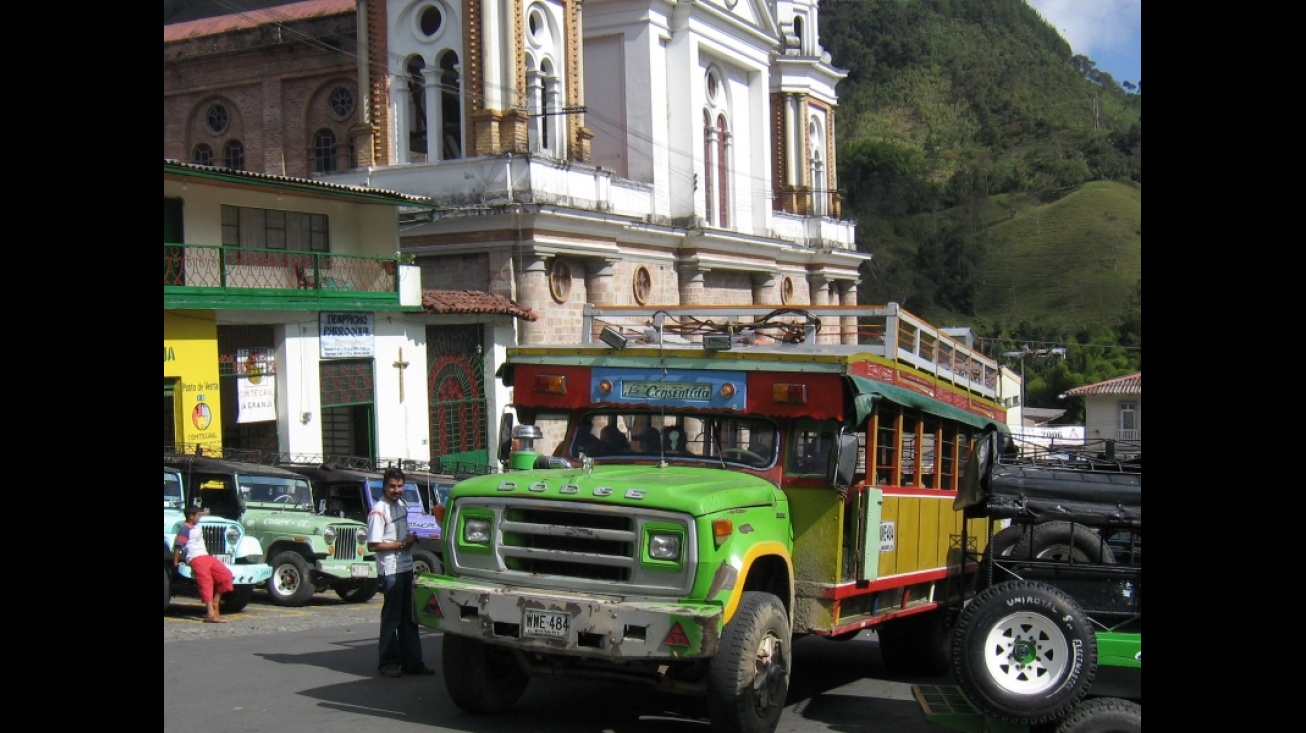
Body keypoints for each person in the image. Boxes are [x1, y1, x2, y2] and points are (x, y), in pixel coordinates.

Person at [366, 467, 437, 677]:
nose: (396, 490)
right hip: (391, 570)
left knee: (409, 618)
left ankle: (413, 663)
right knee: (392, 618)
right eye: (392, 486)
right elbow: (373, 545)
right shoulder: (378, 511)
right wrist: (400, 544)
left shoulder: (402, 506)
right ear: (384, 487)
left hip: (406, 568)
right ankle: (388, 664)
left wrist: (409, 540)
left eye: (399, 486)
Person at [173, 505, 235, 623]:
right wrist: (176, 561)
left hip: (205, 556)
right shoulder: (185, 529)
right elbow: (178, 545)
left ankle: (216, 601)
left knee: (226, 575)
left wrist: (206, 511)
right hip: (195, 557)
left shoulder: (196, 526)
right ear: (191, 517)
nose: (199, 517)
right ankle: (210, 613)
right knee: (206, 581)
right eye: (197, 516)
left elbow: (203, 513)